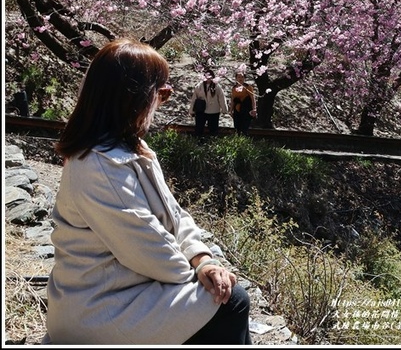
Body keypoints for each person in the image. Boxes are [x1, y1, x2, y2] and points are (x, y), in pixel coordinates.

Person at [43, 38, 251, 345]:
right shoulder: (99, 165)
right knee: (230, 301)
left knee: (224, 297)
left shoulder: (130, 150)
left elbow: (174, 215)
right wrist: (197, 275)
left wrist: (203, 259)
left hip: (125, 290)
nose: (162, 101)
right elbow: (145, 246)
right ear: (133, 98)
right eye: (162, 92)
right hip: (98, 307)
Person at [190, 68, 228, 138]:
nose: (208, 79)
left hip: (214, 112)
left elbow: (221, 98)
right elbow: (194, 99)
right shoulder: (199, 86)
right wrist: (191, 110)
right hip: (201, 111)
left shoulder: (217, 86)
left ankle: (212, 143)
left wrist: (224, 109)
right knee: (199, 129)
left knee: (213, 130)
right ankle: (198, 142)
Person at [229, 70, 257, 135]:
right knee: (237, 127)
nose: (240, 79)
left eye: (242, 77)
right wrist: (231, 110)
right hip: (237, 110)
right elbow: (232, 99)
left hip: (246, 109)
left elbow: (253, 99)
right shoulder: (234, 88)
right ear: (236, 78)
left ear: (244, 78)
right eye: (238, 77)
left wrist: (254, 109)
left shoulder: (248, 87)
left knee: (244, 127)